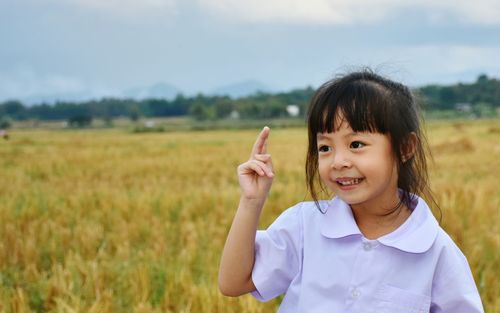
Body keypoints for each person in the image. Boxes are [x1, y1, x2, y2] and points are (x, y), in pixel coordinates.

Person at [218, 70, 484, 312]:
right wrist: (251, 202)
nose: (338, 161)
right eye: (325, 148)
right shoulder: (304, 226)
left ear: (405, 148)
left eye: (356, 144)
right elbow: (234, 283)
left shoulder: (436, 252)